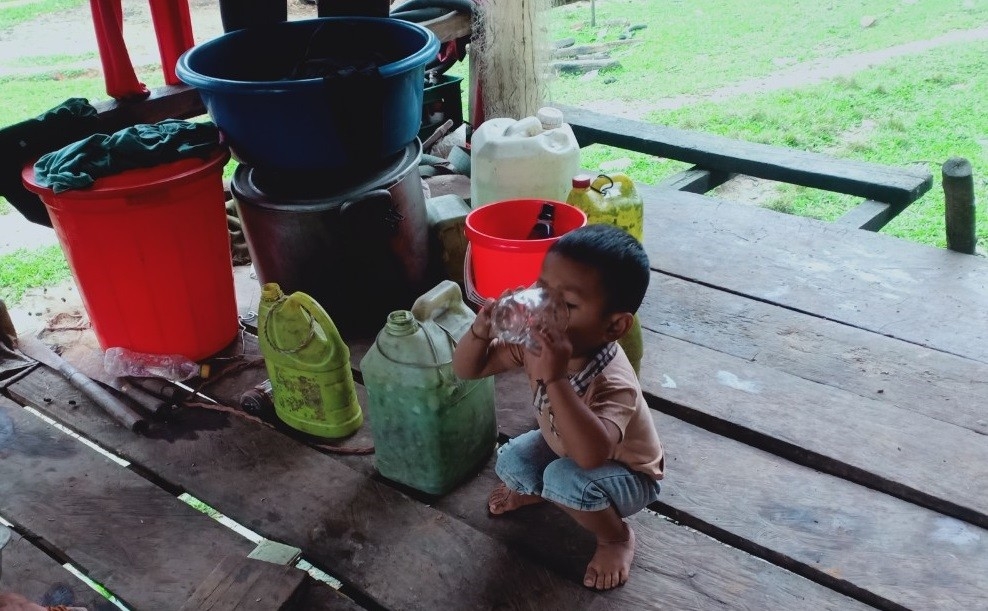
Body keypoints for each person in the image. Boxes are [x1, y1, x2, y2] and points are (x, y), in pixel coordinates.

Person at [453, 224, 664, 591]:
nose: (546, 309)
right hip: (564, 445)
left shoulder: (614, 382)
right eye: (542, 289)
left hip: (627, 473)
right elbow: (468, 369)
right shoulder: (536, 344)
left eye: (566, 304)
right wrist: (480, 331)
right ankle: (547, 492)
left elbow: (592, 456)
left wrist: (555, 380)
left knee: (565, 481)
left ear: (614, 326)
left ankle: (615, 537)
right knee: (511, 462)